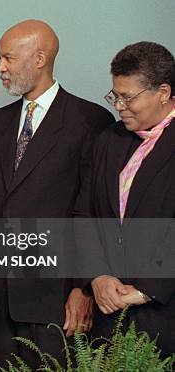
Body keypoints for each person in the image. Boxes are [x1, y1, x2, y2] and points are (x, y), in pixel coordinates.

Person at [0, 20, 114, 367]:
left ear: (39, 58)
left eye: (8, 58)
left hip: (56, 304)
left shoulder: (91, 121)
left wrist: (83, 288)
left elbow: (93, 215)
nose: (0, 68)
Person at [75, 41, 174, 355]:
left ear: (163, 91)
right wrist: (99, 276)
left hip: (164, 313)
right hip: (109, 316)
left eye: (127, 97)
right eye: (114, 96)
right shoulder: (109, 140)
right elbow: (83, 216)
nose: (118, 106)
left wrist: (146, 289)